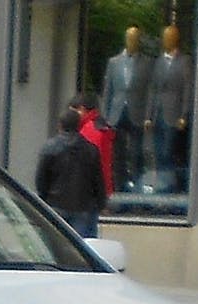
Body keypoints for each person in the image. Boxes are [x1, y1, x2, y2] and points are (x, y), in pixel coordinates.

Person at [36, 109, 106, 238]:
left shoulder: (49, 148)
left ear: (60, 125)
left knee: (56, 246)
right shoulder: (91, 150)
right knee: (83, 248)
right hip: (83, 206)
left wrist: (44, 200)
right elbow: (98, 181)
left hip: (56, 204)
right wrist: (100, 203)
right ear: (79, 126)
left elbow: (41, 180)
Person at [101, 24, 151, 192]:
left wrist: (148, 116)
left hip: (137, 112)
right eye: (130, 38)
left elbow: (150, 91)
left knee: (136, 154)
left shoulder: (147, 63)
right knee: (118, 156)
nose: (132, 41)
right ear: (125, 39)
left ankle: (137, 192)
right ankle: (120, 190)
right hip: (117, 113)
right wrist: (106, 116)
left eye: (135, 39)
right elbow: (108, 89)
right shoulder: (114, 62)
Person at [145, 25, 193, 194]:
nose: (166, 40)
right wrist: (148, 116)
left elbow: (187, 89)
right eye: (164, 37)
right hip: (158, 115)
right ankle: (161, 188)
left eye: (169, 37)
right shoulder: (158, 62)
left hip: (173, 114)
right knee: (158, 154)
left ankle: (170, 190)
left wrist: (184, 115)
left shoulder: (184, 61)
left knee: (169, 153)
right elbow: (152, 89)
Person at [70, 91, 116, 199]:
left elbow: (90, 165)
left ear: (81, 109)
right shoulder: (98, 126)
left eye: (73, 112)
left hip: (89, 194)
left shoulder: (89, 130)